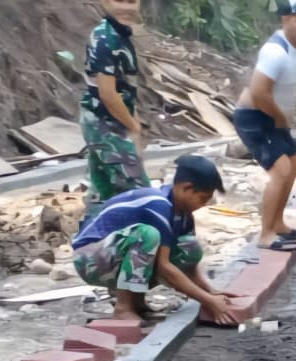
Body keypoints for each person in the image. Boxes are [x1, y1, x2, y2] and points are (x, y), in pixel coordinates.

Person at [72, 155, 238, 326]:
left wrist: (211, 293)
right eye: (202, 198)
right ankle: (123, 308)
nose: (203, 204)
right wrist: (208, 302)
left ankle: (137, 303)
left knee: (189, 246)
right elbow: (164, 267)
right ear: (186, 188)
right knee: (147, 235)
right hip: (90, 259)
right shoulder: (158, 205)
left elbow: (189, 268)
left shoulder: (184, 216)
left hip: (111, 256)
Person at [232, 0, 296, 252]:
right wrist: (280, 118)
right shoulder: (275, 51)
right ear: (286, 19)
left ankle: (278, 223)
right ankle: (266, 234)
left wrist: (282, 117)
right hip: (254, 117)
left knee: (295, 161)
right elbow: (259, 92)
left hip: (273, 117)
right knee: (280, 170)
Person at [80, 0, 150, 221]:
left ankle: (90, 250)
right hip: (104, 122)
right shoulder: (105, 38)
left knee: (103, 190)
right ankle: (144, 249)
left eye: (132, 1)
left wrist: (133, 121)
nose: (126, 7)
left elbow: (124, 88)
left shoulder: (120, 35)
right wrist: (134, 127)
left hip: (104, 120)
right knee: (140, 194)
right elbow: (108, 94)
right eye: (119, 0)